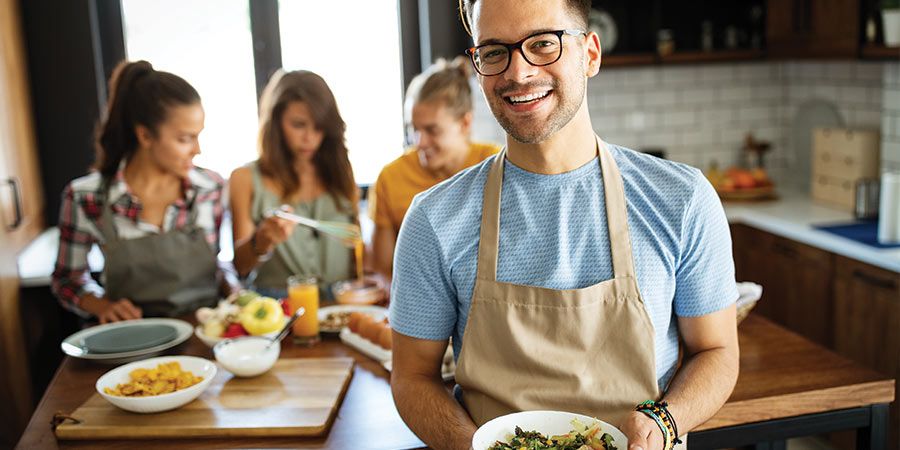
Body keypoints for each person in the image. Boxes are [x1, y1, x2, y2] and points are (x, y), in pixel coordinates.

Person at [389, 1, 740, 450]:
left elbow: (717, 352)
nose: (518, 73)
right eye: (494, 51)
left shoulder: (682, 199)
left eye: (542, 43)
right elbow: (412, 377)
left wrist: (664, 423)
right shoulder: (434, 219)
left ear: (590, 54)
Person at [52, 60, 229, 323]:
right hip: (135, 336)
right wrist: (102, 305)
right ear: (145, 136)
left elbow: (217, 267)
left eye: (198, 136)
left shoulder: (210, 188)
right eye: (184, 139)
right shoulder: (85, 197)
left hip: (206, 331)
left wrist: (234, 290)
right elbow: (68, 279)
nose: (197, 150)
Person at [230, 70, 358, 300]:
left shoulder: (340, 172)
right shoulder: (245, 178)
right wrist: (262, 241)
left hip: (340, 306)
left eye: (319, 127)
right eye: (299, 125)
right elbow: (241, 266)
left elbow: (356, 252)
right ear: (275, 123)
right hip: (277, 308)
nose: (310, 137)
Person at [369, 57, 498, 280]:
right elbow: (384, 270)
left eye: (432, 130)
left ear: (465, 123)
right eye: (414, 129)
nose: (419, 142)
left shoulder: (496, 165)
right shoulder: (390, 178)